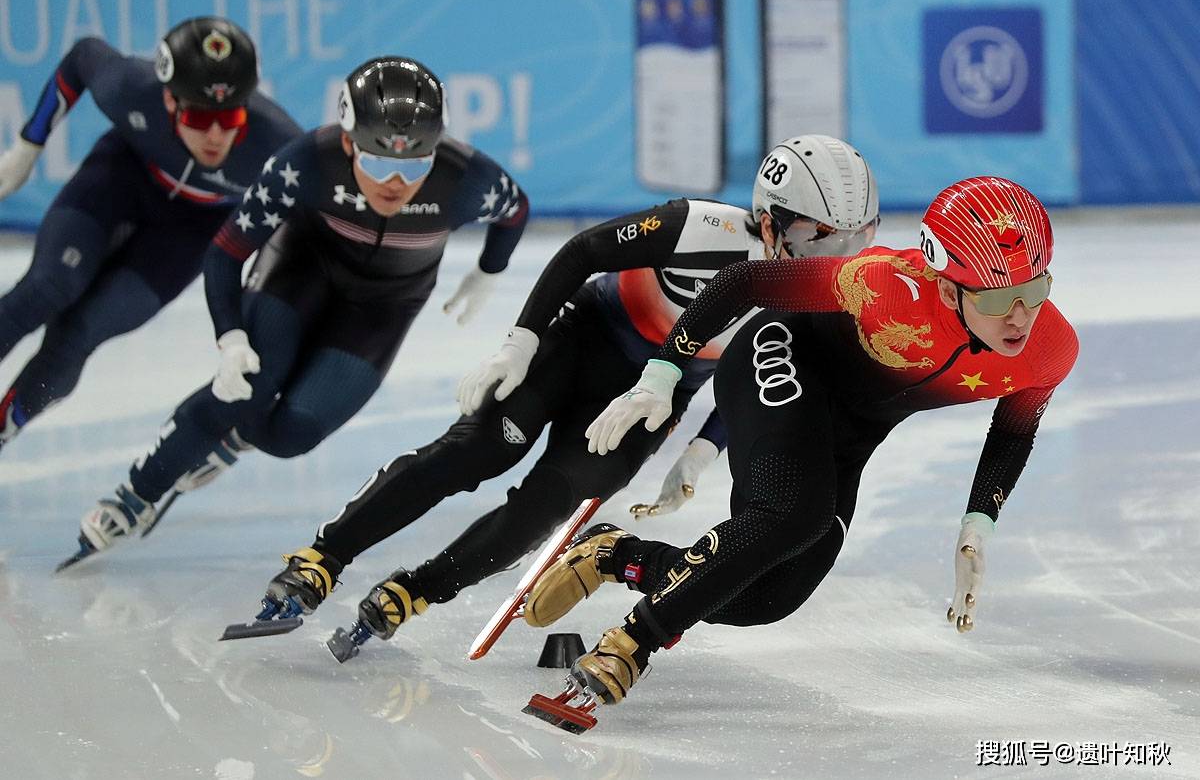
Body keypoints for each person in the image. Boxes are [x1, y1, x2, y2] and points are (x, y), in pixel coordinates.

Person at [252, 135, 880, 651]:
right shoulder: (700, 226)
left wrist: (703, 450)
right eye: (818, 239)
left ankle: (416, 589)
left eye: (856, 240)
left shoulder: (820, 297)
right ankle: (325, 555)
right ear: (769, 221)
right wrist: (521, 341)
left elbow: (759, 375)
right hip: (582, 341)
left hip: (646, 399)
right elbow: (585, 249)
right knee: (478, 451)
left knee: (547, 511)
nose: (835, 261)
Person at [526, 176, 1079, 708]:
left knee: (769, 598)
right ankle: (629, 645)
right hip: (782, 354)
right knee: (793, 514)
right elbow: (741, 283)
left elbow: (1014, 429)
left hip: (849, 433)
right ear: (945, 284)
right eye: (996, 299)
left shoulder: (1051, 347)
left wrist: (977, 524)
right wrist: (662, 374)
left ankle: (614, 555)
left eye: (1035, 289)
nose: (1021, 316)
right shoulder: (884, 284)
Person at [63, 56, 530, 562]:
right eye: (377, 162)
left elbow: (516, 211)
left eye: (415, 165)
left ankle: (236, 437)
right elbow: (226, 250)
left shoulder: (467, 180)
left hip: (385, 304)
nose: (395, 183)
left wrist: (490, 271)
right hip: (301, 269)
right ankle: (136, 495)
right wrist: (230, 339)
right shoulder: (307, 161)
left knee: (292, 434)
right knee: (242, 390)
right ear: (349, 142)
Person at [0, 17, 301, 452]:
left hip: (191, 230)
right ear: (168, 99)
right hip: (120, 180)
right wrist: (28, 147)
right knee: (47, 287)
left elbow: (330, 198)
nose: (216, 135)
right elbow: (83, 55)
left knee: (80, 332)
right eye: (199, 116)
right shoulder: (130, 87)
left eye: (231, 116)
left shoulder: (276, 144)